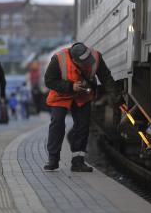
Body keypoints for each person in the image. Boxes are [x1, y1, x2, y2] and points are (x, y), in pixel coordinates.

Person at [43, 42, 124, 172]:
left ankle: (78, 162)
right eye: (83, 63)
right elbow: (49, 81)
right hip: (61, 95)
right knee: (57, 123)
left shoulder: (96, 57)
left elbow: (106, 78)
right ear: (74, 60)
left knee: (82, 126)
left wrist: (116, 97)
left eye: (88, 61)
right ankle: (53, 159)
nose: (88, 64)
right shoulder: (58, 59)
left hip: (82, 96)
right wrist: (70, 86)